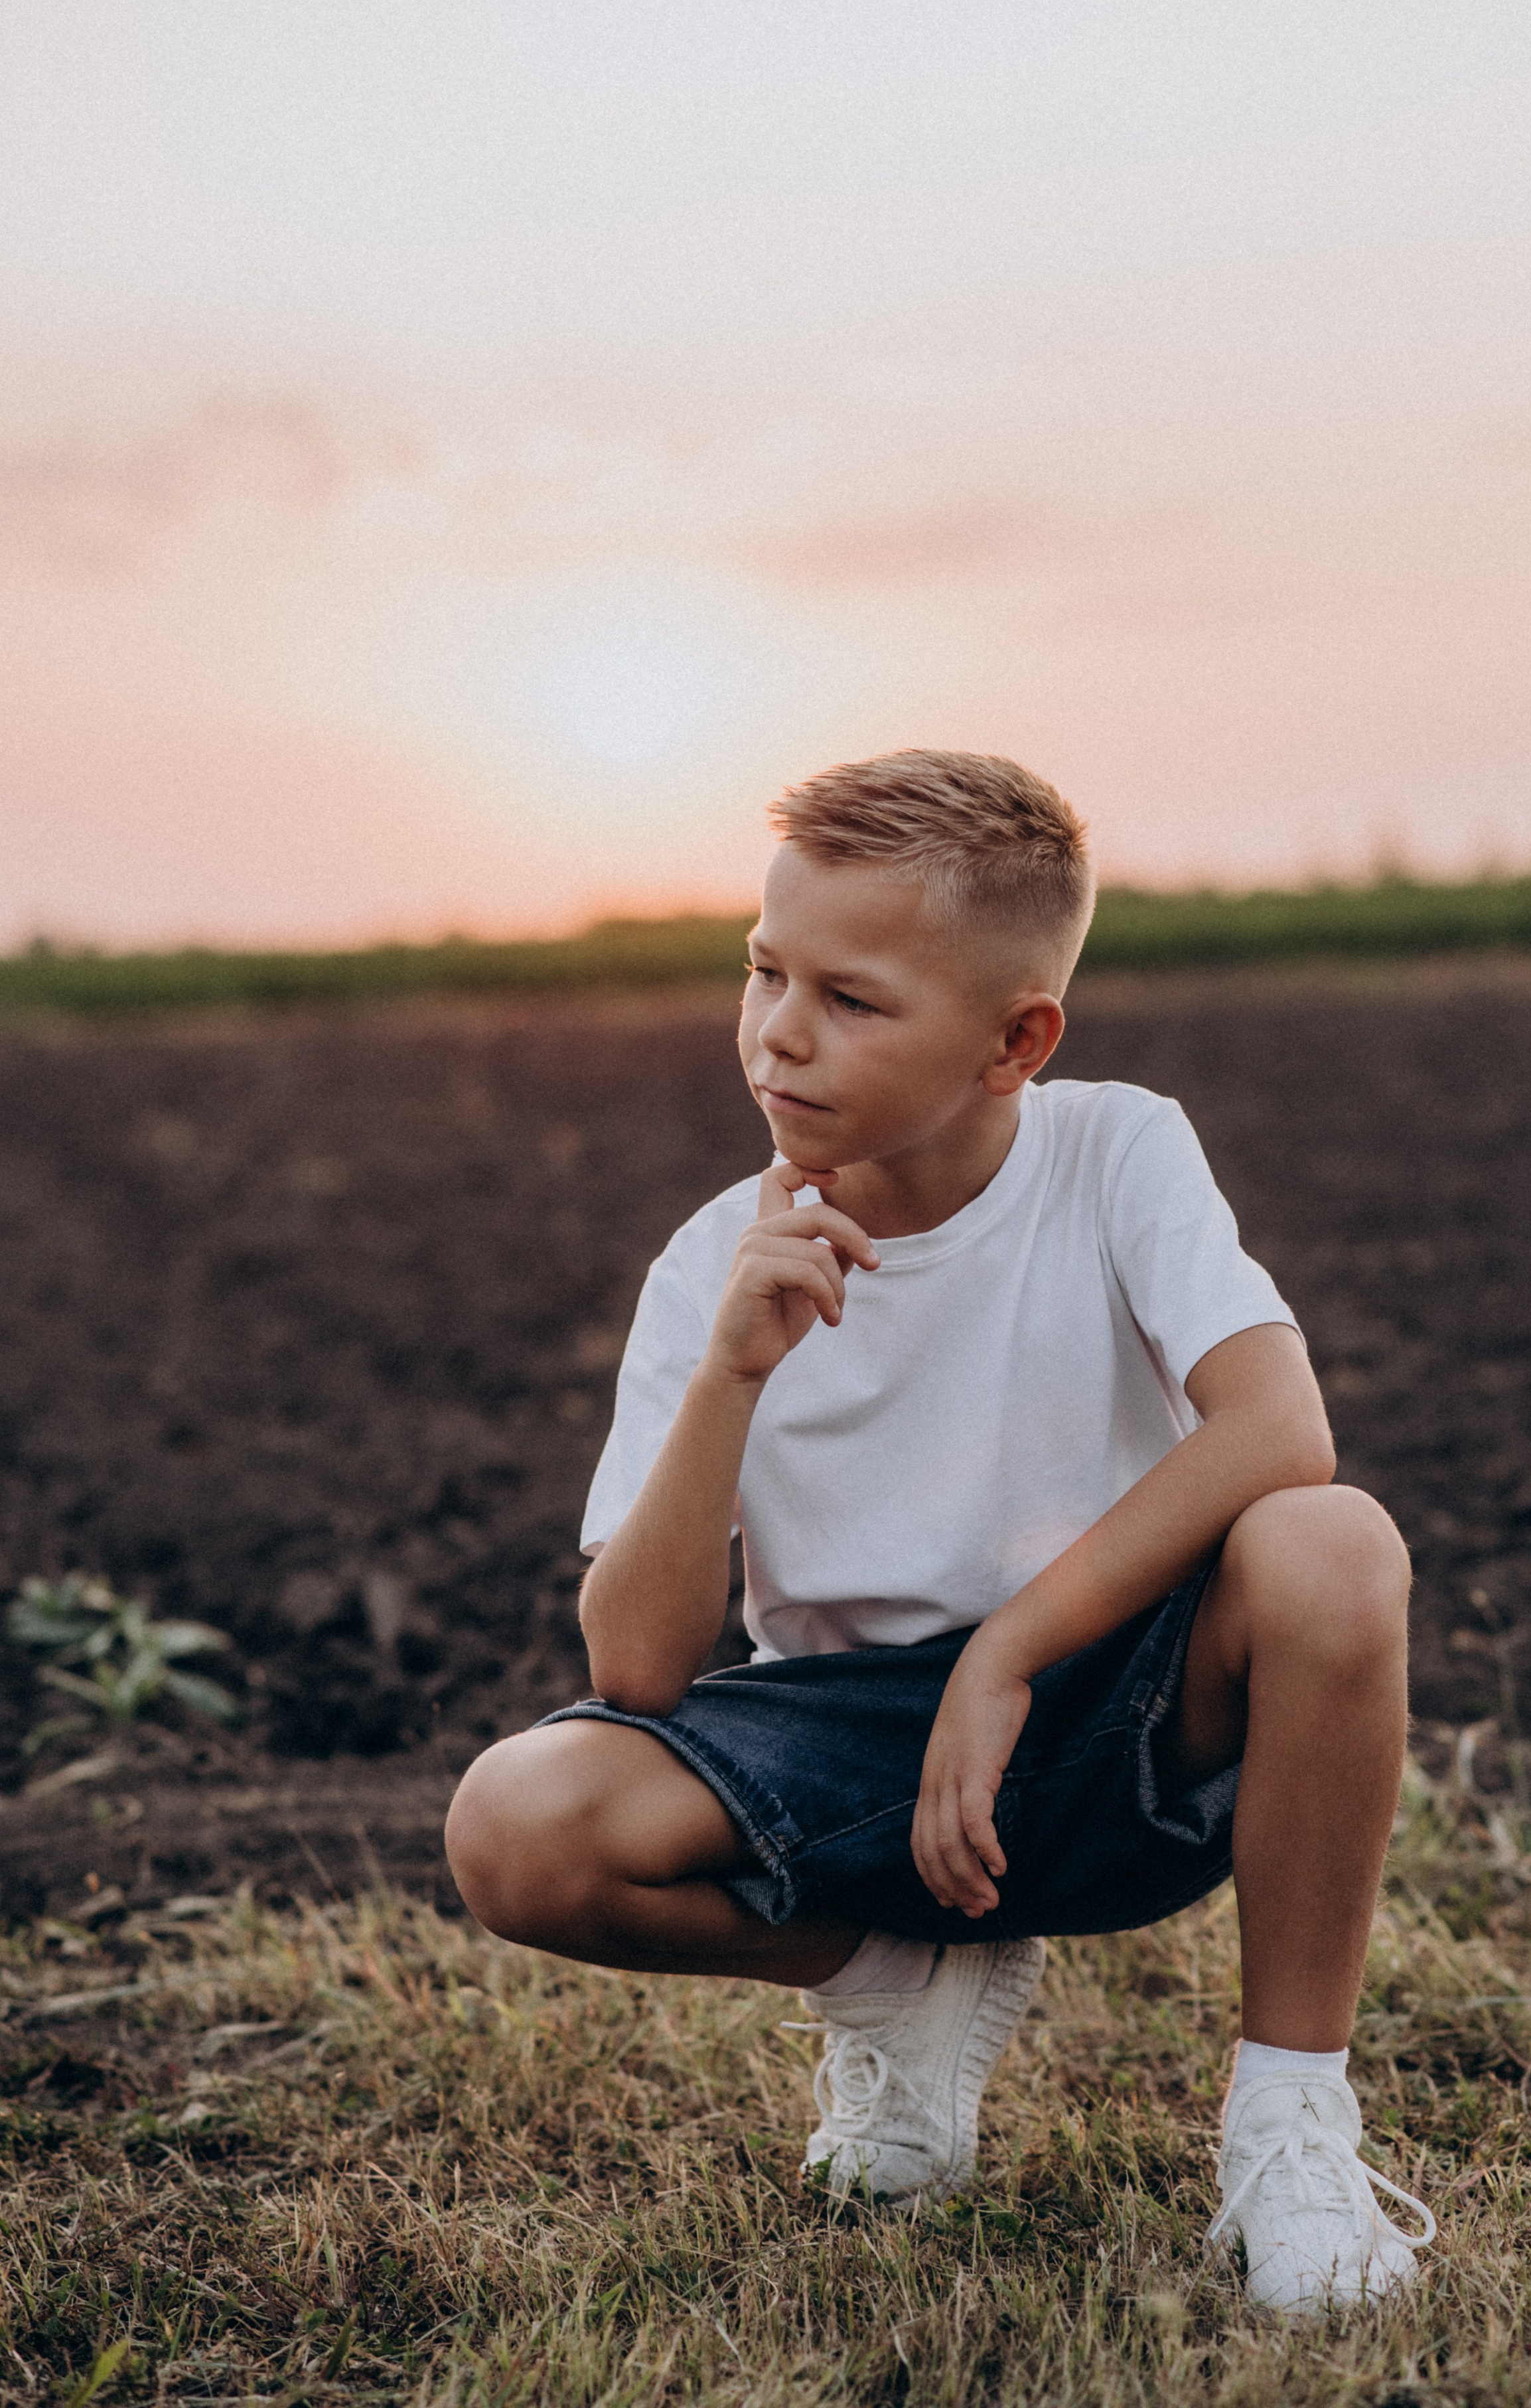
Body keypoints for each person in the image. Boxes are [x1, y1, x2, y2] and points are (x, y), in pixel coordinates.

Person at [445, 748, 1436, 2314]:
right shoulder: (710, 1261)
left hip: (1108, 1702)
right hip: (847, 1764)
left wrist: (1008, 1653)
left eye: (850, 997)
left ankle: (1287, 2123)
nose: (778, 1029)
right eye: (766, 969)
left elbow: (1280, 1431)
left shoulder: (1114, 1151)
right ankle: (889, 1979)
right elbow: (636, 1666)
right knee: (514, 1822)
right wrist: (730, 1371)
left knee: (1332, 1541)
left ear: (1013, 1041)